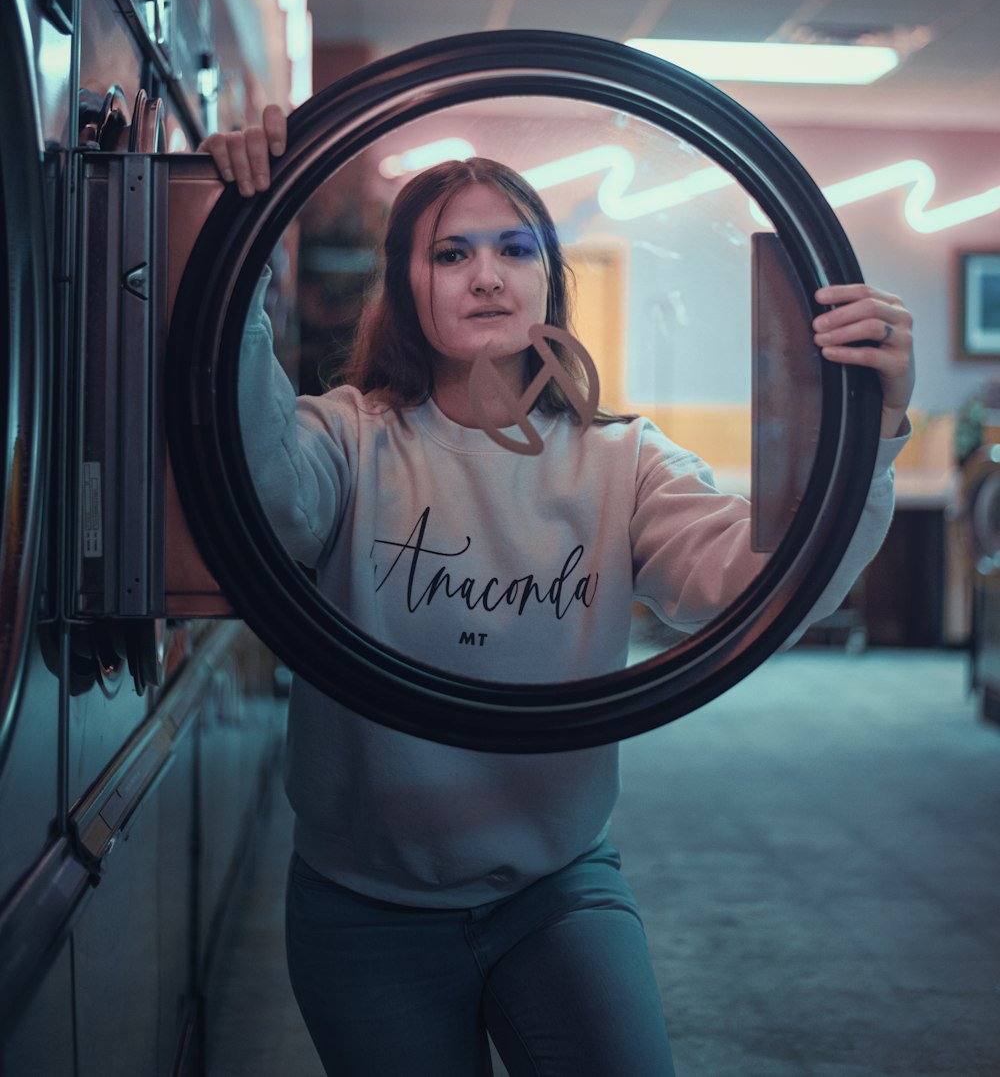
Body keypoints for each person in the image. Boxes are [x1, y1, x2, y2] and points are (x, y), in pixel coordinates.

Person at [201, 106, 915, 1077]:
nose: (487, 273)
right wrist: (231, 250)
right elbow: (267, 503)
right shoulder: (351, 437)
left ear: (548, 278)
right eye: (451, 253)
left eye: (514, 247)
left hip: (557, 885)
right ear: (407, 290)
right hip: (360, 906)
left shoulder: (624, 460)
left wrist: (874, 427)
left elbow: (755, 588)